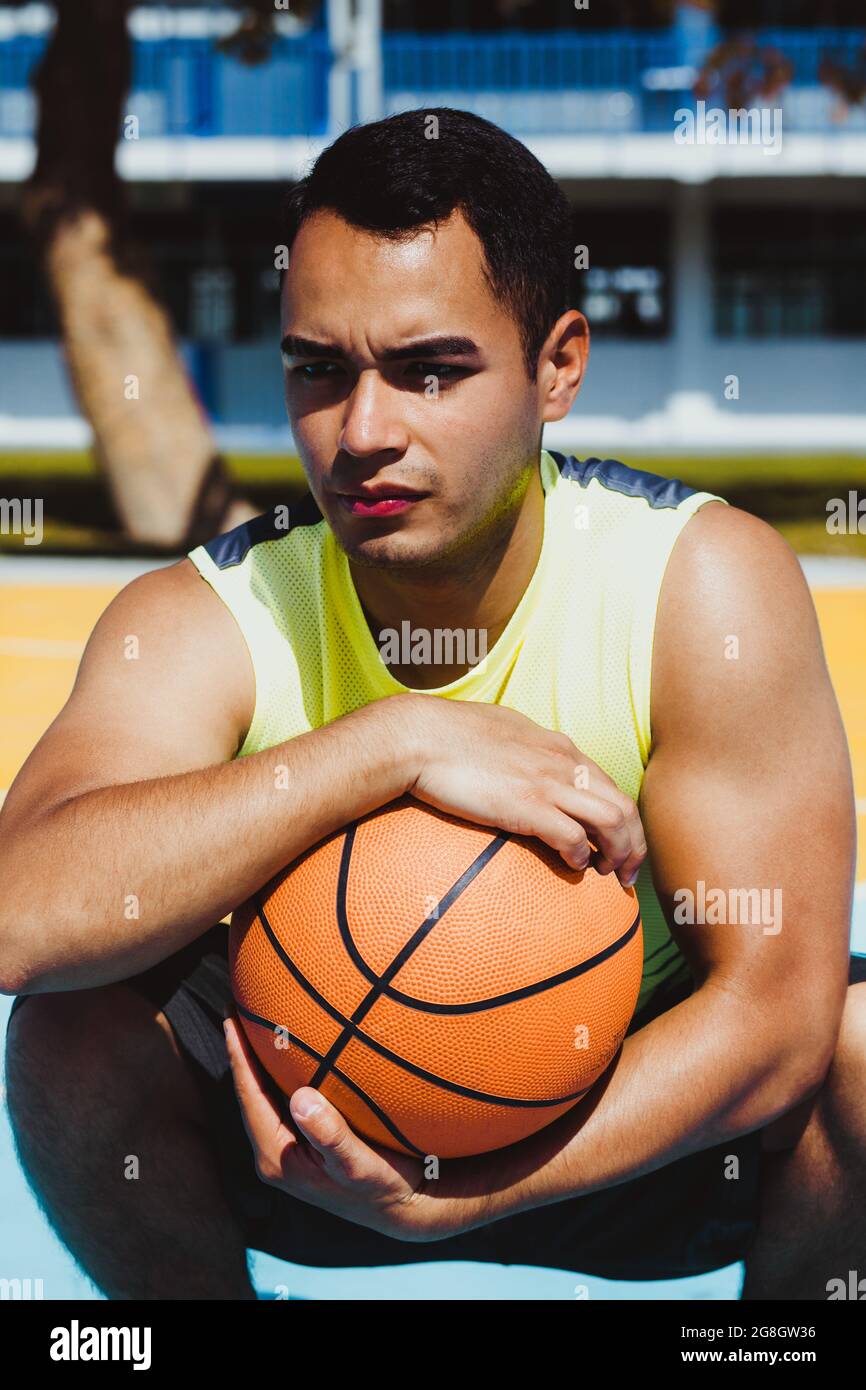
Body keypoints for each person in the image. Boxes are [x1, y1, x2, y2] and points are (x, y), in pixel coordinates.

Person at [2, 109, 862, 1301]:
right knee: (70, 1029)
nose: (363, 433)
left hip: (626, 1139)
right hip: (303, 1142)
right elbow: (16, 918)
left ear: (555, 365)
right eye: (319, 369)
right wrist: (389, 745)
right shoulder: (207, 614)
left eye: (428, 370)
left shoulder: (691, 583)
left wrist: (460, 1195)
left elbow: (774, 1020)